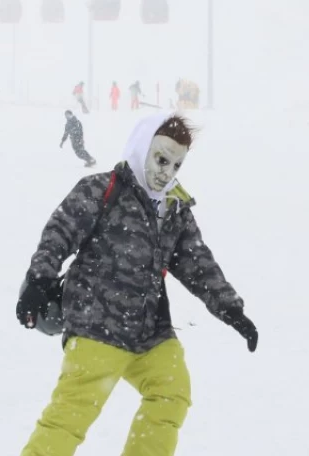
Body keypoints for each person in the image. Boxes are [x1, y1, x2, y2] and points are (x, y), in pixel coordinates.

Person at [16, 111, 256, 456]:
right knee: (69, 418)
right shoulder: (103, 189)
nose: (166, 172)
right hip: (97, 326)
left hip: (149, 332)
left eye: (176, 165)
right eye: (161, 159)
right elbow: (59, 233)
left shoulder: (175, 208)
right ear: (141, 147)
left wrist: (231, 309)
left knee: (172, 392)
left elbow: (198, 263)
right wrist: (40, 279)